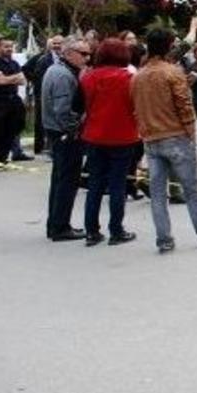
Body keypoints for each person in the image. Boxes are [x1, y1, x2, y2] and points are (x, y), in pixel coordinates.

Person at [132, 29, 197, 253]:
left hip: (151, 138)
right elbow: (184, 105)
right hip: (175, 136)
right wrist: (190, 132)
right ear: (169, 46)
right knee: (192, 189)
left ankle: (164, 239)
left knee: (158, 193)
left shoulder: (138, 76)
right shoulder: (172, 72)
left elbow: (137, 109)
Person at [78, 38, 140, 246]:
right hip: (123, 135)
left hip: (94, 134)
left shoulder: (88, 77)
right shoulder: (129, 78)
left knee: (95, 183)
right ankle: (116, 229)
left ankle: (91, 231)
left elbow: (80, 106)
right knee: (117, 184)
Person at [40, 36, 90, 241]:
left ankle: (56, 223)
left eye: (88, 53)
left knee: (60, 179)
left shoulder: (60, 70)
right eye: (83, 54)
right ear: (68, 53)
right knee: (67, 181)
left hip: (57, 132)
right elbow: (63, 111)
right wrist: (75, 129)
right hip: (64, 134)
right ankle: (60, 226)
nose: (86, 58)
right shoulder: (63, 75)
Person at [25, 34, 64, 155]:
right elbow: (30, 72)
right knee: (41, 119)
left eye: (59, 43)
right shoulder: (42, 59)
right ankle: (39, 146)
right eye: (54, 43)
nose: (57, 46)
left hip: (59, 94)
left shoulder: (66, 59)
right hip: (43, 94)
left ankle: (53, 146)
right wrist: (35, 83)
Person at [0, 35, 29, 164]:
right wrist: (13, 78)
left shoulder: (14, 63)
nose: (9, 49)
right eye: (6, 46)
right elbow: (0, 81)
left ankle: (3, 157)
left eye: (11, 46)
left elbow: (23, 80)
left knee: (14, 128)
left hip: (13, 101)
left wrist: (7, 78)